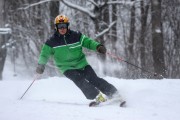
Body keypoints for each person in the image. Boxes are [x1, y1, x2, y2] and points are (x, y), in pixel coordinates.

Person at [36, 15, 122, 104]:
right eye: (59, 26)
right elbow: (44, 55)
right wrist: (41, 65)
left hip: (82, 64)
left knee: (94, 79)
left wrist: (98, 46)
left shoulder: (76, 36)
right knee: (79, 80)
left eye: (64, 26)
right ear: (56, 27)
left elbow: (88, 42)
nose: (62, 28)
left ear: (68, 26)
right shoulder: (51, 42)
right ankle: (97, 96)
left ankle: (115, 94)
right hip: (66, 67)